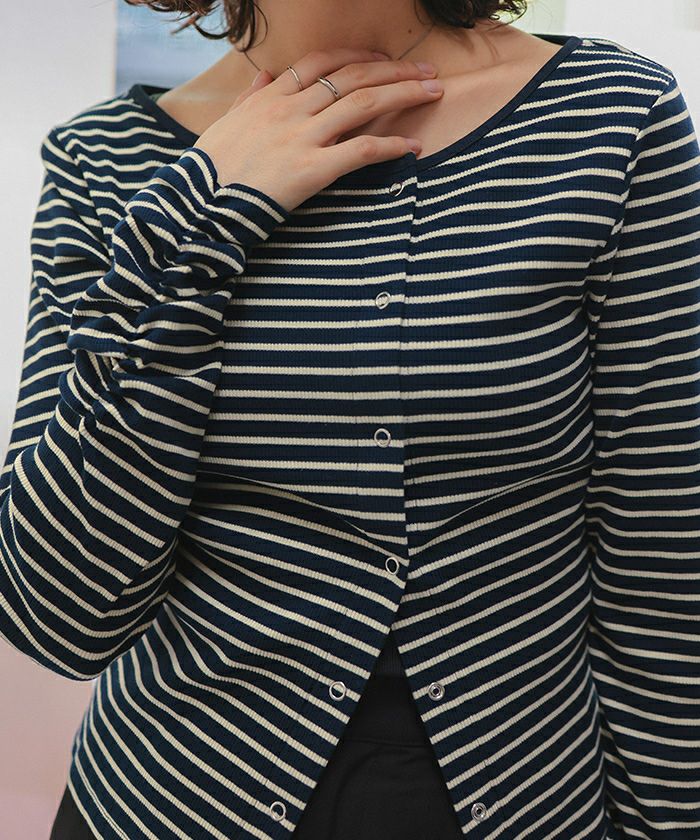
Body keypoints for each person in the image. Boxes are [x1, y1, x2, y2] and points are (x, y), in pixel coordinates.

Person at [0, 0, 697, 836]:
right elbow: (59, 614)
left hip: (524, 792)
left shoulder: (609, 114)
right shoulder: (105, 158)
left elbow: (663, 554)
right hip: (167, 800)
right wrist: (200, 216)